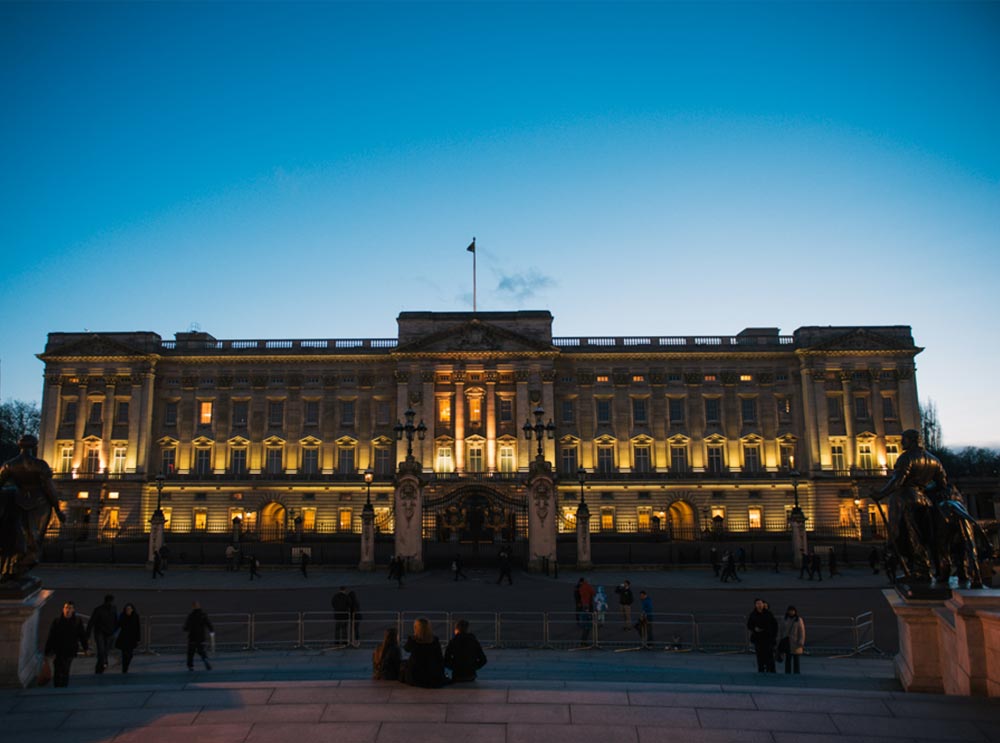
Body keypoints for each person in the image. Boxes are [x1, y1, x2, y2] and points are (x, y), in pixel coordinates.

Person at [874, 428, 946, 583]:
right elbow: (942, 484)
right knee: (927, 536)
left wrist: (880, 494)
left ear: (911, 440)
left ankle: (919, 570)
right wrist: (925, 489)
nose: (901, 442)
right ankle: (934, 568)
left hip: (905, 499)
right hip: (924, 500)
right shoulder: (934, 459)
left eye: (904, 439)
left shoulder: (906, 458)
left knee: (907, 535)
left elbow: (897, 481)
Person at [0, 434, 65, 583]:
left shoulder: (9, 464)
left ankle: (10, 569)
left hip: (18, 501)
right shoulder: (40, 464)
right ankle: (20, 569)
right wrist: (57, 508)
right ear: (35, 445)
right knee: (34, 538)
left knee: (17, 536)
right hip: (39, 503)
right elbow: (49, 488)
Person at [44, 601, 87, 687]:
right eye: (66, 607)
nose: (68, 610)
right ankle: (57, 685)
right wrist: (48, 650)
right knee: (57, 668)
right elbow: (51, 636)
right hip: (59, 649)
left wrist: (85, 647)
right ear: (63, 609)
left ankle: (63, 685)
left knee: (65, 668)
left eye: (70, 608)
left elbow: (82, 635)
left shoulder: (77, 622)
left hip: (70, 649)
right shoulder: (57, 621)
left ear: (73, 610)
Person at [403, 617, 446, 687]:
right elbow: (439, 657)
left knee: (404, 664)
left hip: (416, 676)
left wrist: (412, 639)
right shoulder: (435, 640)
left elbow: (406, 649)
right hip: (432, 674)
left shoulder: (413, 639)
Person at [86, 593, 118, 674]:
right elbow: (91, 622)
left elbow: (91, 622)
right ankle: (101, 667)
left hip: (105, 632)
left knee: (104, 651)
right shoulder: (104, 609)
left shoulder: (102, 609)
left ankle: (102, 664)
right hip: (101, 633)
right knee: (102, 651)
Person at [747, 598, 777, 673]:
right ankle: (761, 670)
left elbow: (774, 625)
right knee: (760, 656)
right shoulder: (753, 614)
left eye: (760, 603)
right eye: (757, 604)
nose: (759, 605)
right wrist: (754, 628)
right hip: (758, 638)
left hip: (768, 638)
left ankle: (771, 670)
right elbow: (749, 625)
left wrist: (773, 635)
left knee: (769, 655)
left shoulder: (768, 614)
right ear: (755, 605)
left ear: (763, 604)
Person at [183, 601, 213, 671]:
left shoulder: (191, 615)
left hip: (192, 636)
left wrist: (185, 629)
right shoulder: (203, 615)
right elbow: (208, 623)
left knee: (191, 652)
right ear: (199, 606)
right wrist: (211, 630)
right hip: (201, 636)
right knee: (201, 650)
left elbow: (187, 626)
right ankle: (205, 659)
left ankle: (190, 666)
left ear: (193, 607)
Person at [778, 605, 805, 674]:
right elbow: (781, 630)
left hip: (795, 642)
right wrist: (779, 640)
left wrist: (801, 642)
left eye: (793, 611)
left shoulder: (798, 619)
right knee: (788, 658)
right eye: (790, 610)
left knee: (796, 659)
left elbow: (802, 632)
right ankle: (788, 672)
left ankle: (796, 672)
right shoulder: (784, 619)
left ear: (795, 611)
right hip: (786, 641)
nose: (791, 612)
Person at [115, 603, 141, 674]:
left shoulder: (135, 616)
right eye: (127, 609)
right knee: (124, 654)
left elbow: (137, 628)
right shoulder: (122, 616)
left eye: (129, 609)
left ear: (132, 610)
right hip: (123, 637)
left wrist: (138, 639)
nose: (128, 610)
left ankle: (126, 666)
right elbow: (118, 625)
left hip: (132, 638)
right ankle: (124, 669)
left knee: (130, 654)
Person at [575, 577, 595, 645]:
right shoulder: (588, 586)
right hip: (588, 605)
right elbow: (593, 593)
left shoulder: (580, 587)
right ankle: (583, 641)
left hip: (583, 605)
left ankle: (583, 641)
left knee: (585, 623)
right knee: (587, 625)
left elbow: (579, 595)